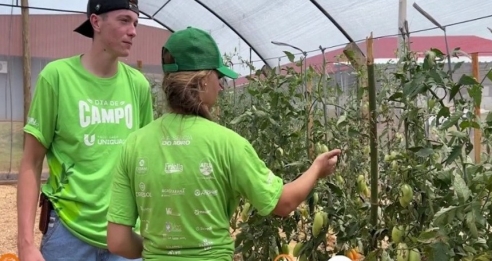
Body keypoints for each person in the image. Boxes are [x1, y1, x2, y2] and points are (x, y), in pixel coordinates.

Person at [105, 26, 341, 261]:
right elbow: (283, 203)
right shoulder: (228, 144)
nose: (220, 85)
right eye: (218, 77)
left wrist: (159, 251)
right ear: (203, 81)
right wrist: (316, 170)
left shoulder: (134, 144)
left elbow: (117, 241)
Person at [16, 0, 153, 260]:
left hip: (125, 236)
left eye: (135, 23)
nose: (133, 31)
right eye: (124, 20)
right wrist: (25, 244)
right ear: (96, 22)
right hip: (68, 234)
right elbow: (31, 162)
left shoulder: (138, 86)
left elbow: (145, 163)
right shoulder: (57, 77)